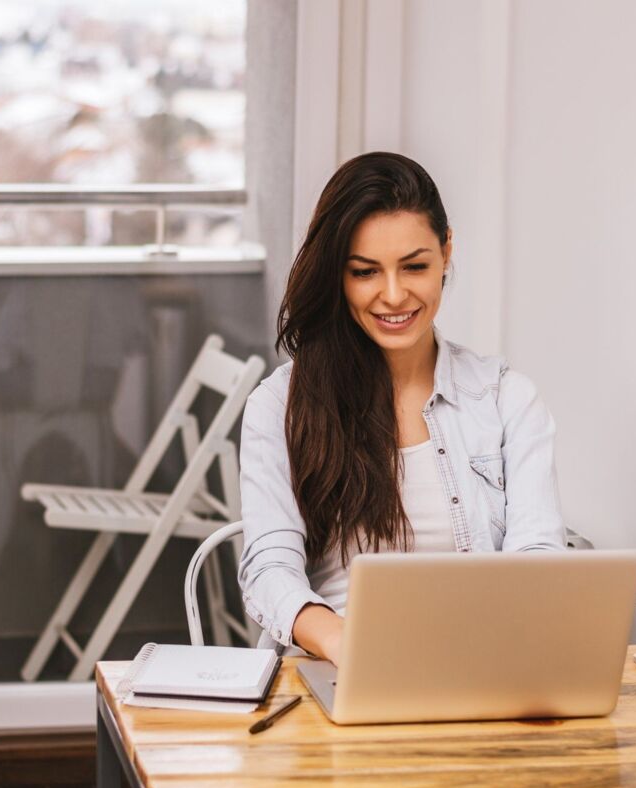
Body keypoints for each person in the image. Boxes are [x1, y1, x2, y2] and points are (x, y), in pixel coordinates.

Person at [237, 152, 565, 665]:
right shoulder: (280, 406)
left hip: (478, 667)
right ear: (337, 275)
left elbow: (538, 556)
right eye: (365, 272)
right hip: (333, 669)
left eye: (415, 266)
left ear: (446, 251)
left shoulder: (507, 400)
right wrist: (346, 643)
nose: (394, 295)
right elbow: (269, 568)